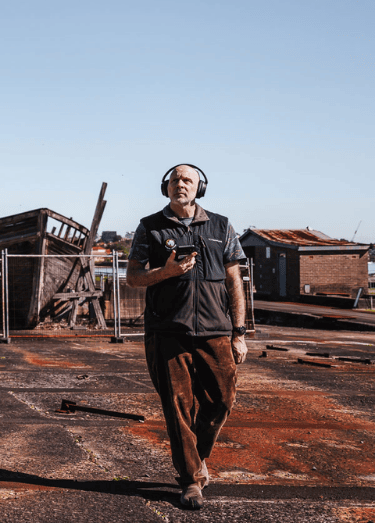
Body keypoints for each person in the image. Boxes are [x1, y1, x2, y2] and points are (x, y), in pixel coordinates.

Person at [126, 164, 248, 510]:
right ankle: (191, 481)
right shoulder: (149, 227)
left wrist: (239, 332)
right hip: (168, 331)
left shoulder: (221, 226)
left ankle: (196, 456)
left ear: (199, 188)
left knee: (222, 400)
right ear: (166, 187)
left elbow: (234, 281)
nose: (180, 184)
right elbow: (133, 277)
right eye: (175, 180)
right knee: (178, 407)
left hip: (216, 331)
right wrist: (166, 272)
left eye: (187, 180)